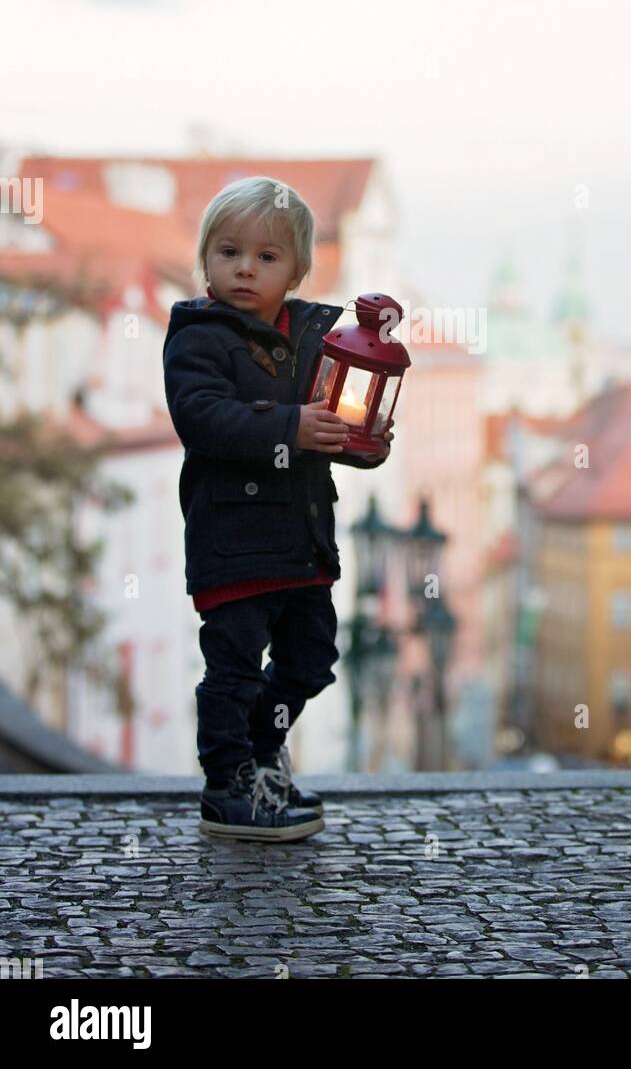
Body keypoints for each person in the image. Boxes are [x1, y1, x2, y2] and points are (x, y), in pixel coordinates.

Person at [163, 174, 393, 841]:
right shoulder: (200, 335)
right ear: (206, 258)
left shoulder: (321, 337)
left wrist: (362, 442)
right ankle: (226, 783)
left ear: (296, 269)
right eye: (229, 251)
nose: (244, 268)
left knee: (312, 659)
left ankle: (264, 753)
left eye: (266, 257)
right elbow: (203, 418)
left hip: (303, 538)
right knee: (231, 668)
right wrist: (289, 426)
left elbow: (336, 420)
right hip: (232, 539)